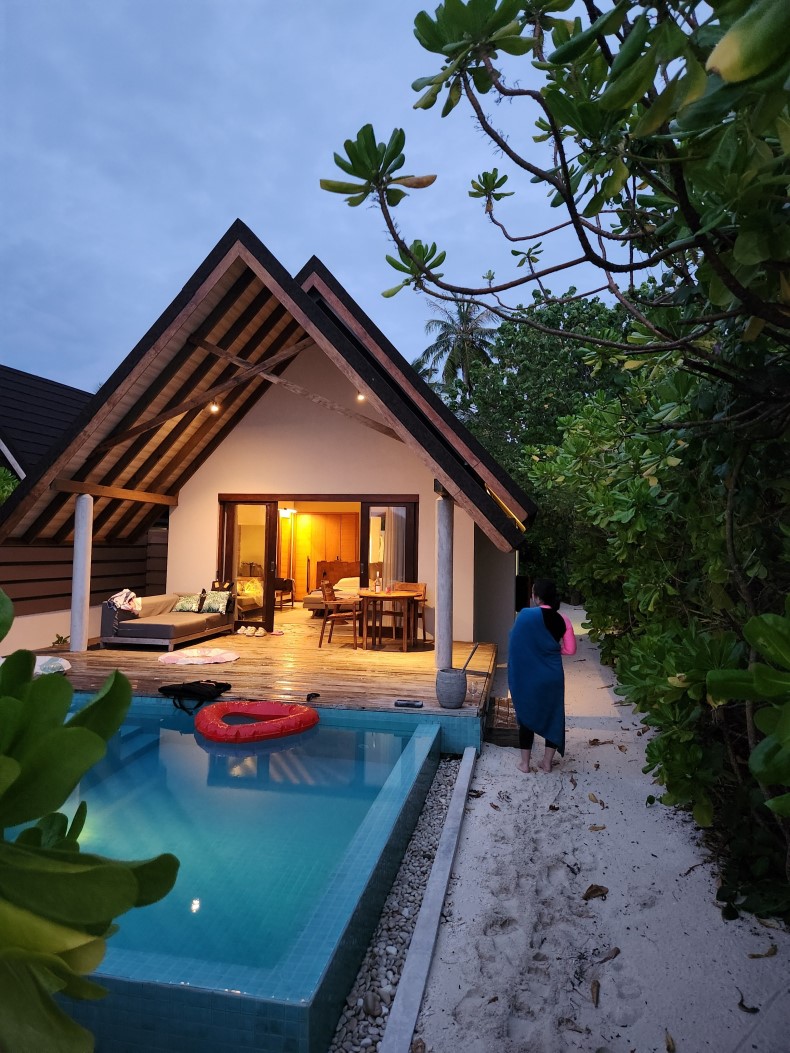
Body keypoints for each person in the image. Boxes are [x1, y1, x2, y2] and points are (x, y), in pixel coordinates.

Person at [507, 577, 577, 773]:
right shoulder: (563, 619)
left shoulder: (525, 616)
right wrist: (552, 651)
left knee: (526, 715)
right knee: (553, 716)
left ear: (536, 597)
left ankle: (525, 764)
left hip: (529, 675)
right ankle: (547, 763)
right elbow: (571, 650)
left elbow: (515, 644)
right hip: (552, 675)